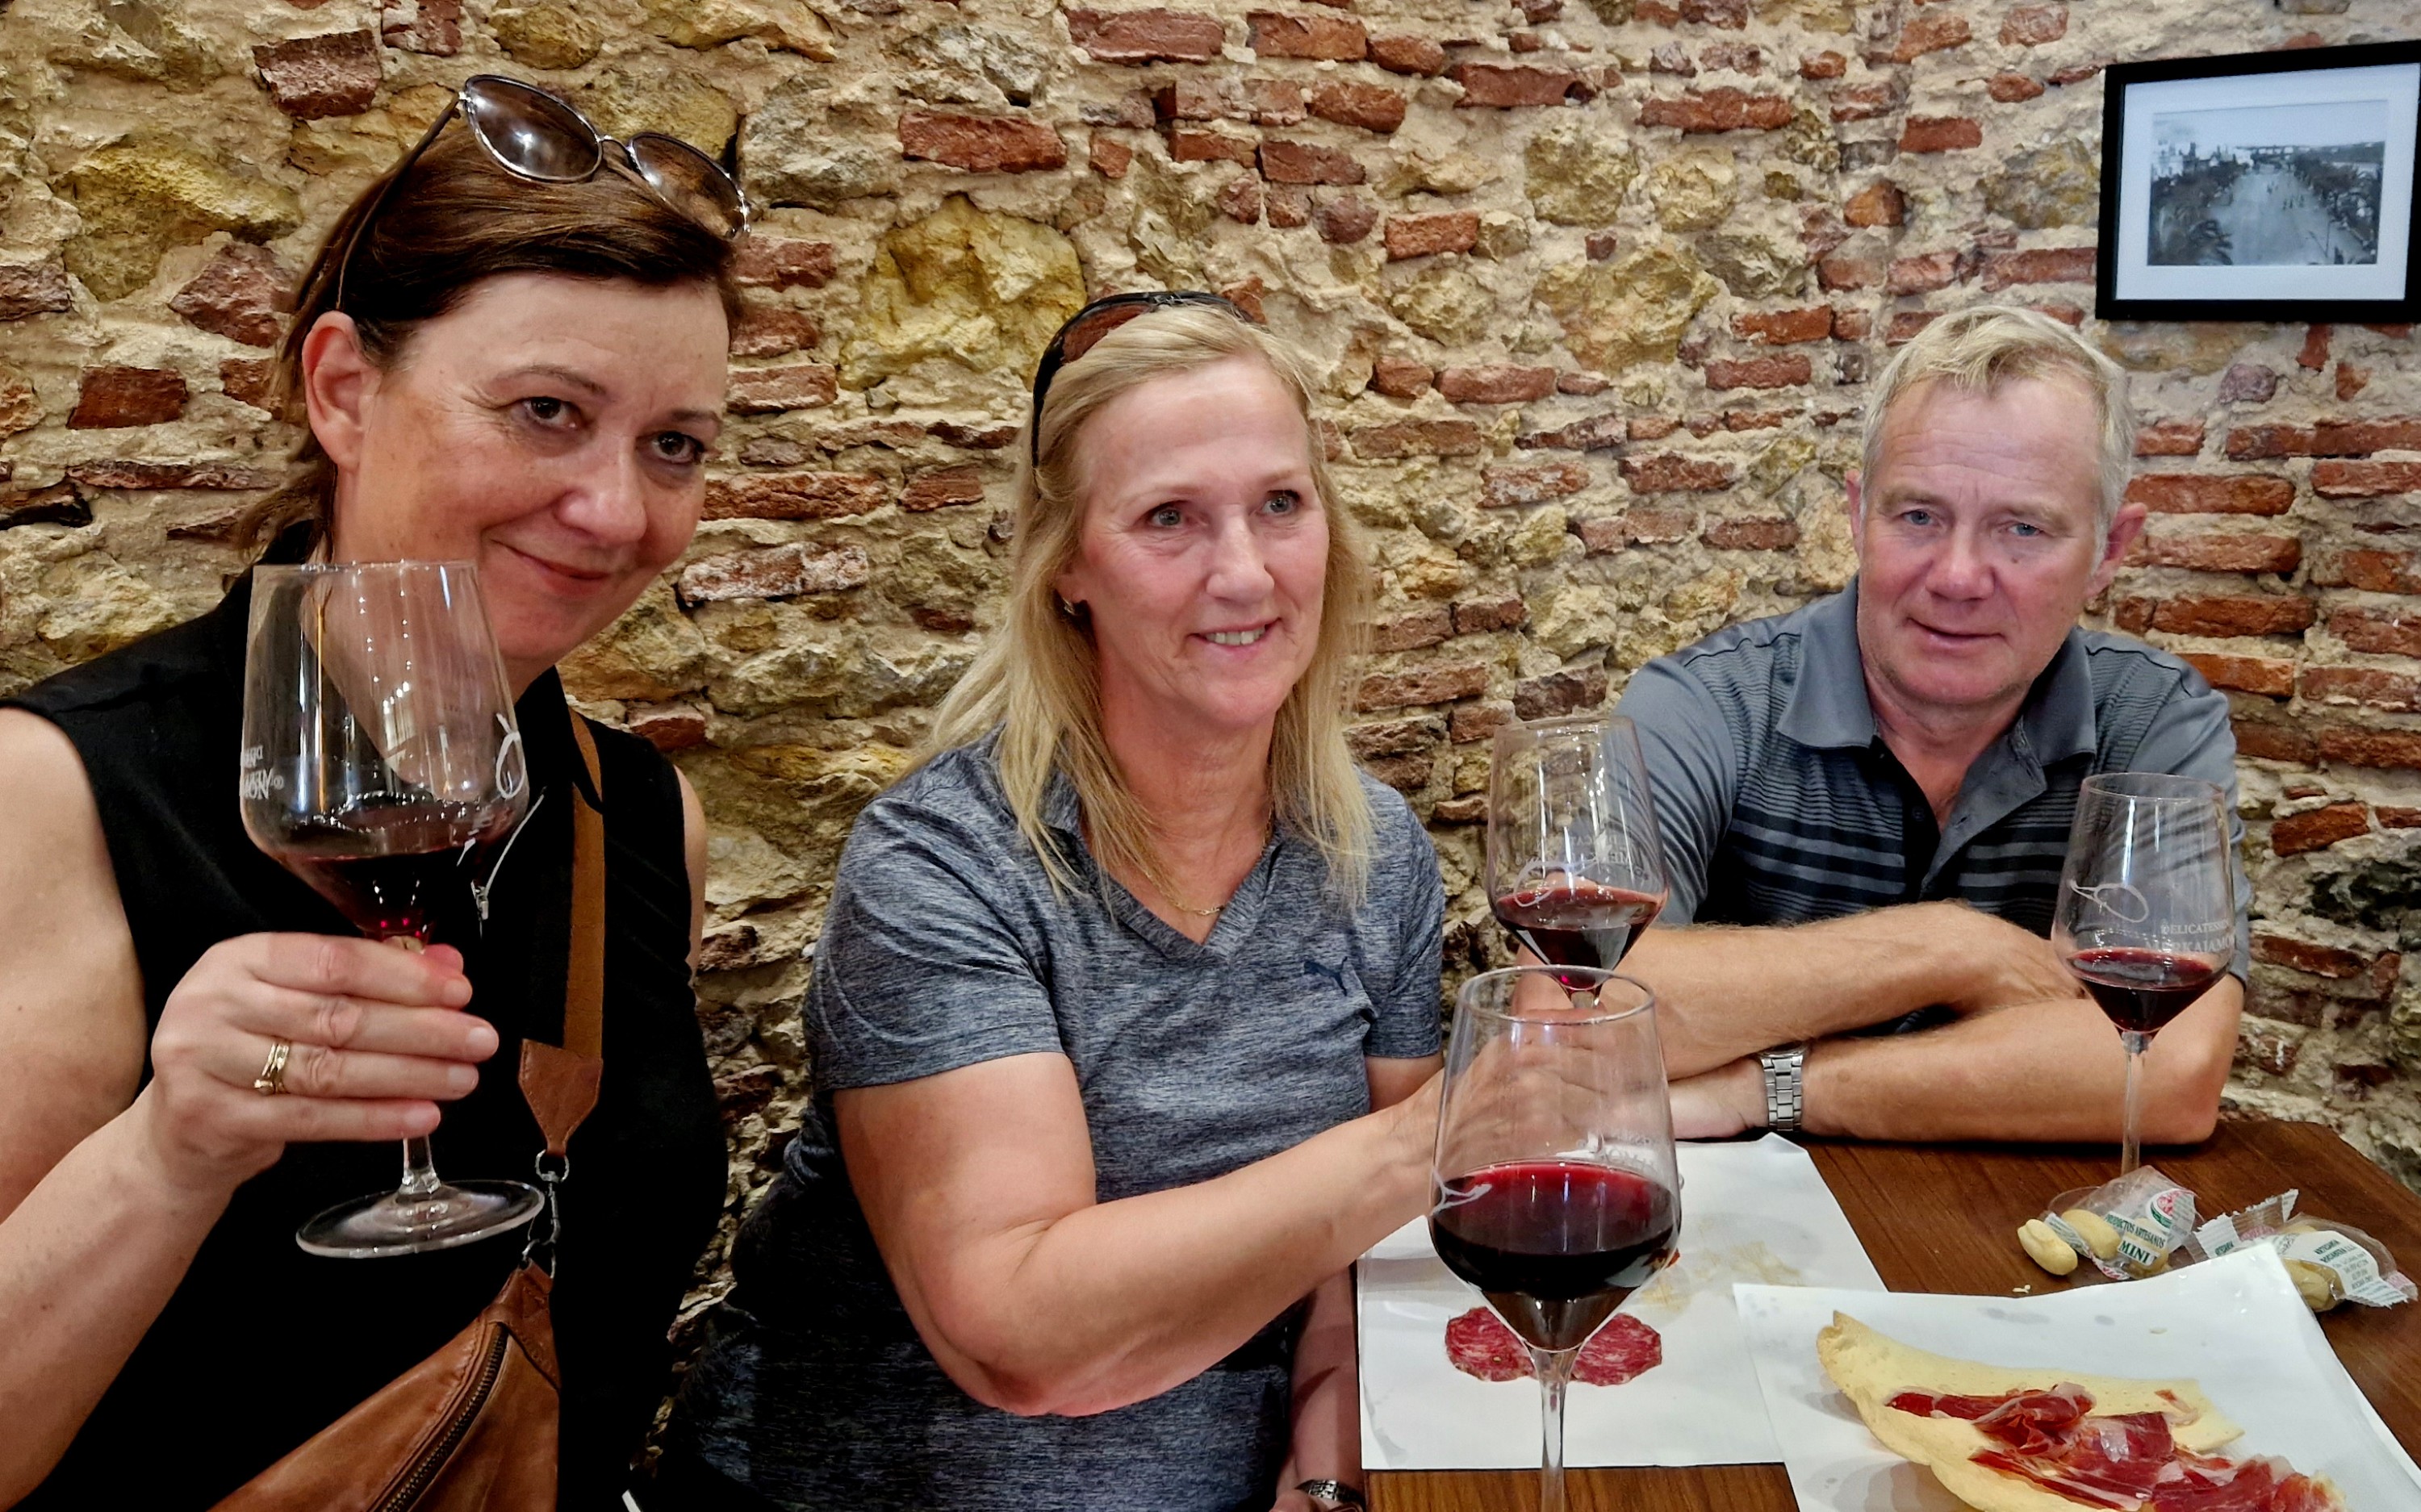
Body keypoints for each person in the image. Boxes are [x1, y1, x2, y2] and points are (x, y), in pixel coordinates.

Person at [0, 77, 744, 1509]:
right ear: (344, 388)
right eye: (546, 411)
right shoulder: (60, 793)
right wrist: (167, 1154)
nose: (615, 509)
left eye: (675, 445)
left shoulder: (638, 814)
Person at [659, 295, 1446, 1512]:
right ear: (1067, 564)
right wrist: (1439, 1132)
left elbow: (1361, 1251)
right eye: (1169, 517)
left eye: (1281, 504)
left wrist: (1330, 1469)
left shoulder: (1373, 848)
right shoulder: (944, 864)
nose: (1244, 571)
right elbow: (1021, 1337)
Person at [1613, 305, 2250, 1146]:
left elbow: (2171, 1071)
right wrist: (1949, 948)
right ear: (1857, 516)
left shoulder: (2155, 720)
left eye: (2022, 528)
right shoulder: (1705, 704)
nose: (1958, 576)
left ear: (2108, 550)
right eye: (1918, 516)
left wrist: (1766, 1086)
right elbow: (1579, 1010)